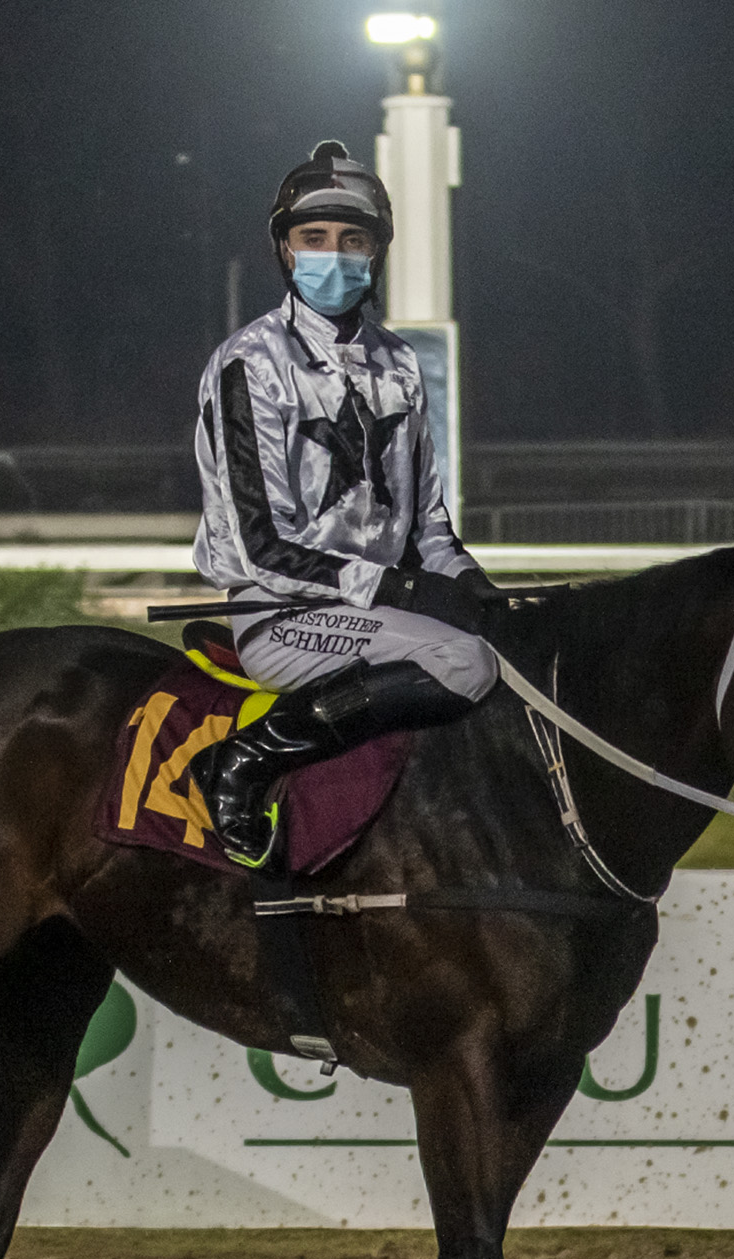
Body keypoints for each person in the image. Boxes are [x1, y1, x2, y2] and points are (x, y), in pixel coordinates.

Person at [184, 140, 504, 869]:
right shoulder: (249, 363)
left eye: (353, 240)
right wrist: (402, 590)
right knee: (463, 663)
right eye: (315, 237)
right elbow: (264, 548)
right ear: (285, 250)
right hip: (284, 614)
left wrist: (468, 581)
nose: (334, 255)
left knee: (509, 648)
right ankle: (242, 763)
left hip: (381, 614)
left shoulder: (400, 363)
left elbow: (427, 527)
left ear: (377, 252)